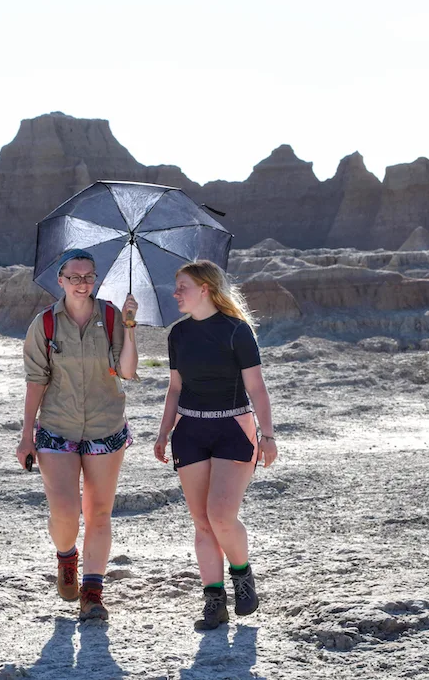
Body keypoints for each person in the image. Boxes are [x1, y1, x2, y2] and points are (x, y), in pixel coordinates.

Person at [153, 259, 278, 631]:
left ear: (205, 289)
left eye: (182, 287)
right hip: (189, 432)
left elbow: (256, 387)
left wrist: (267, 435)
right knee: (202, 523)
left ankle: (242, 575)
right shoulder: (177, 335)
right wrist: (163, 434)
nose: (175, 293)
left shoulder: (236, 331)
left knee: (221, 515)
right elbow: (175, 388)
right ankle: (214, 601)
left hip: (234, 430)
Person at [18, 249, 139, 621]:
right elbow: (36, 380)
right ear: (61, 280)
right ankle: (66, 556)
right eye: (74, 277)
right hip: (57, 428)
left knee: (99, 513)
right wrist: (26, 435)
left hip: (106, 427)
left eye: (89, 276)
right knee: (65, 513)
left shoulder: (111, 316)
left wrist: (130, 327)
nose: (82, 283)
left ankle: (92, 593)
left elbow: (128, 372)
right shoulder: (45, 324)